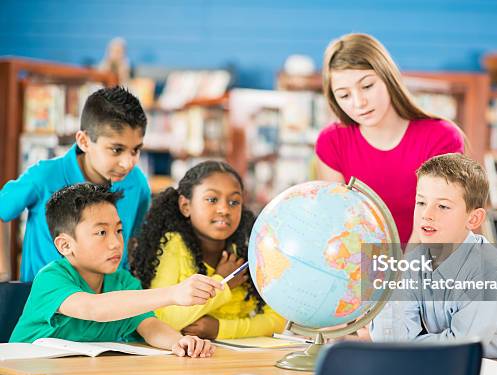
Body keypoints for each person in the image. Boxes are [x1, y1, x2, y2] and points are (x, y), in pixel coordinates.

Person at [370, 153, 497, 361]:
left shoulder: (489, 272)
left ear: (473, 219)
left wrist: (408, 345)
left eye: (443, 206)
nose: (427, 214)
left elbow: (461, 347)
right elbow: (392, 341)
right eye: (421, 203)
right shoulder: (412, 264)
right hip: (465, 370)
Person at [11, 183, 221, 358]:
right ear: (65, 245)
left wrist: (180, 342)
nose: (116, 243)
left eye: (118, 230)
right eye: (101, 232)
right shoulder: (51, 278)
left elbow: (148, 325)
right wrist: (173, 293)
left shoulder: (124, 283)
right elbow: (93, 309)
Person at [315, 33, 464, 245]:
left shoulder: (442, 137)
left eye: (367, 86)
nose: (359, 103)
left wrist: (401, 273)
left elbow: (434, 225)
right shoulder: (332, 142)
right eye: (344, 95)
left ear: (388, 77)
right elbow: (338, 224)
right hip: (360, 269)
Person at [0, 86, 151, 282]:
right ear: (84, 141)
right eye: (116, 150)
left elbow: (133, 242)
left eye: (135, 150)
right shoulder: (44, 176)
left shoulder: (137, 182)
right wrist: (2, 277)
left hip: (110, 305)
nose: (128, 162)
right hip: (48, 306)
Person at [131, 160, 285, 339]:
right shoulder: (173, 247)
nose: (224, 209)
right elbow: (162, 319)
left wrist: (220, 329)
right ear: (185, 206)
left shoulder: (246, 251)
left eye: (234, 201)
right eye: (212, 199)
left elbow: (278, 321)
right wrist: (222, 284)